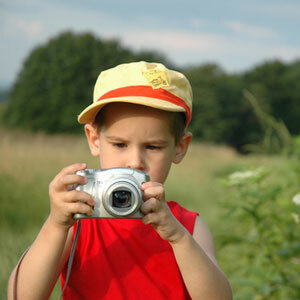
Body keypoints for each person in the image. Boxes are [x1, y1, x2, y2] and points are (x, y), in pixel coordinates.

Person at [8, 61, 232, 300]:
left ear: (180, 148)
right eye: (120, 145)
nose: (135, 161)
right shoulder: (80, 222)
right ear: (94, 139)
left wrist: (178, 238)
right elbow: (20, 296)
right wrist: (56, 224)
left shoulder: (187, 226)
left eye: (153, 147)